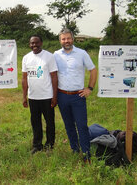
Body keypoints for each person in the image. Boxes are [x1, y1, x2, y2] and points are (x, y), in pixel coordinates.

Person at [53, 28, 97, 163]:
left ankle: (86, 153)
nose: (66, 41)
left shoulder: (82, 53)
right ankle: (74, 149)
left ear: (73, 39)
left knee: (82, 125)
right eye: (63, 39)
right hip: (62, 95)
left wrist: (89, 88)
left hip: (78, 96)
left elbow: (93, 70)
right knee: (68, 125)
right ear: (60, 41)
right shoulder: (55, 55)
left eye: (68, 38)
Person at [22, 35, 58, 154]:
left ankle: (49, 145)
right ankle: (37, 145)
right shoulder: (26, 58)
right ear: (29, 44)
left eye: (36, 43)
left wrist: (54, 96)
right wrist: (24, 96)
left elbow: (54, 77)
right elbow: (24, 78)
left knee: (50, 122)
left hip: (47, 96)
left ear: (41, 43)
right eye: (32, 43)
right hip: (33, 97)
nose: (34, 45)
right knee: (35, 122)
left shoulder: (49, 56)